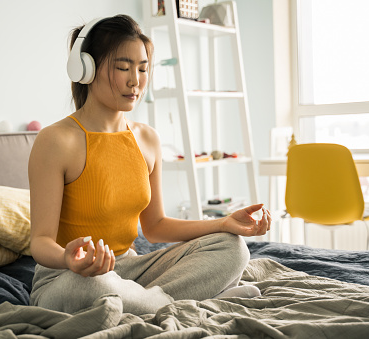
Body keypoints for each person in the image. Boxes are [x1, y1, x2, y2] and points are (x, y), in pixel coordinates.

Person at [28, 14, 271, 315]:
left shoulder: (147, 139)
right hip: (69, 278)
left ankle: (149, 303)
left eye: (143, 68)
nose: (135, 80)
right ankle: (196, 300)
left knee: (232, 248)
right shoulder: (55, 141)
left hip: (130, 269)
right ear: (86, 68)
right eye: (123, 67)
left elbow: (155, 227)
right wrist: (68, 258)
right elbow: (39, 242)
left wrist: (223, 223)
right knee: (96, 287)